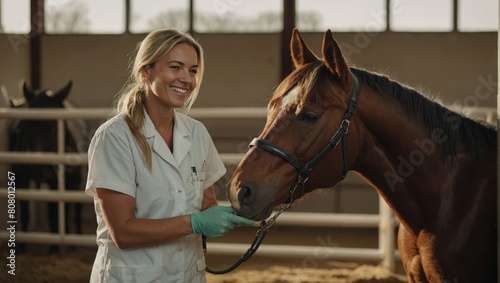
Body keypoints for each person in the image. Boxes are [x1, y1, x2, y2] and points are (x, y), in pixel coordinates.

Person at [85, 28, 254, 282]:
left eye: (193, 70)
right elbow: (123, 233)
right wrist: (195, 223)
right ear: (146, 72)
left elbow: (206, 205)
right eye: (175, 67)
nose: (186, 79)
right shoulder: (115, 137)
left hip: (188, 275)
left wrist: (240, 213)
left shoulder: (197, 133)